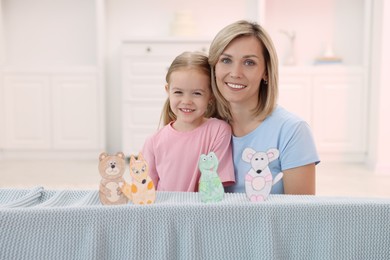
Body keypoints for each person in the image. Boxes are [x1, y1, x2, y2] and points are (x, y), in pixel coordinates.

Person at [208, 20, 320, 195]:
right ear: (214, 67)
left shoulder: (293, 131)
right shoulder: (202, 125)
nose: (235, 73)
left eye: (249, 63)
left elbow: (301, 217)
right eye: (226, 60)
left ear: (266, 72)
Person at [142, 51, 235, 191]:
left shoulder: (219, 131)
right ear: (168, 91)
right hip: (163, 212)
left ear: (211, 95)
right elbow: (145, 191)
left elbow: (214, 187)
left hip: (201, 211)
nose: (186, 101)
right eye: (178, 92)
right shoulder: (153, 142)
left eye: (197, 93)